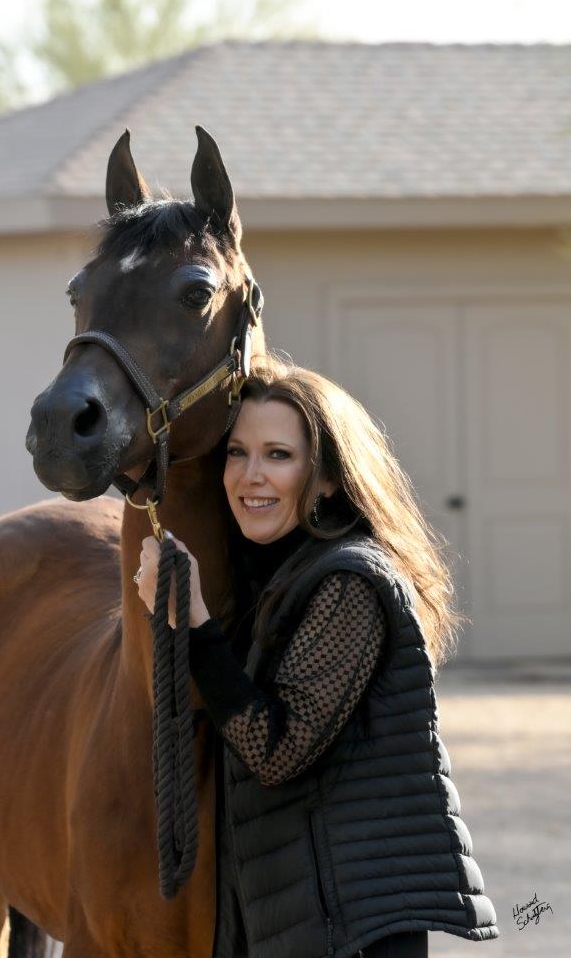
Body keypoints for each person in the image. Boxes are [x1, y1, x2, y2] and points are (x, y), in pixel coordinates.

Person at [137, 359, 499, 958]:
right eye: (237, 452)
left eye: (278, 455)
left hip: (353, 925)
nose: (250, 476)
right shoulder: (277, 571)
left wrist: (193, 621)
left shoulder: (349, 582)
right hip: (312, 914)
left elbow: (275, 750)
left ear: (327, 478)